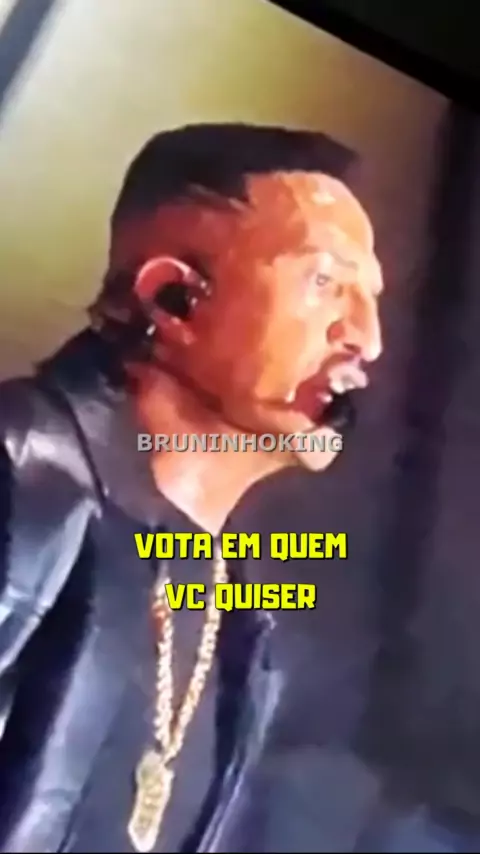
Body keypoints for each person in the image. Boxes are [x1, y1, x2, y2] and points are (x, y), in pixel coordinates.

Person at [0, 123, 383, 853]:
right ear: (173, 299)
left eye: (370, 297)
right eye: (325, 283)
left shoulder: (241, 620)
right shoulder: (19, 482)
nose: (367, 338)